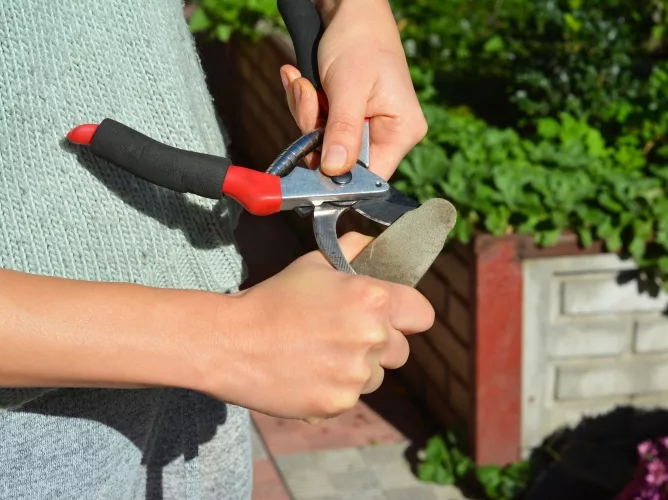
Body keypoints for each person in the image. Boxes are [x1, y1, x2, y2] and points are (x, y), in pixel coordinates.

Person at [0, 0, 433, 499]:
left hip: (205, 371)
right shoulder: (231, 347)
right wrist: (231, 340)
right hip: (32, 423)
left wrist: (352, 11)